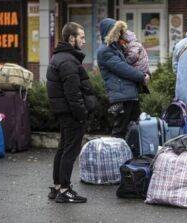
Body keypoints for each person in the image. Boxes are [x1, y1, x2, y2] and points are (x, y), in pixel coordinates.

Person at [46, 22, 97, 203]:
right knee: (70, 151)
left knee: (63, 149)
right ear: (71, 38)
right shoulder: (68, 60)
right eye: (81, 37)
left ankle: (58, 187)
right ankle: (65, 190)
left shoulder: (62, 57)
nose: (84, 41)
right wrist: (82, 114)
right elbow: (73, 94)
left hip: (65, 113)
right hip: (72, 114)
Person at [97, 18, 148, 138]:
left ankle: (131, 155)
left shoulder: (116, 47)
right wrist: (142, 76)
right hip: (121, 97)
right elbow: (123, 69)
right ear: (110, 33)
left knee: (133, 128)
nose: (120, 34)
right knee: (120, 130)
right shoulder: (105, 51)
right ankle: (116, 155)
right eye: (117, 31)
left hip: (128, 95)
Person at [115, 21, 150, 94]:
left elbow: (133, 56)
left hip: (139, 68)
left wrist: (125, 62)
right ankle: (142, 87)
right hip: (142, 68)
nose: (120, 42)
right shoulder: (133, 44)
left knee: (135, 81)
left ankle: (142, 87)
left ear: (126, 40)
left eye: (121, 40)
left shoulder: (133, 45)